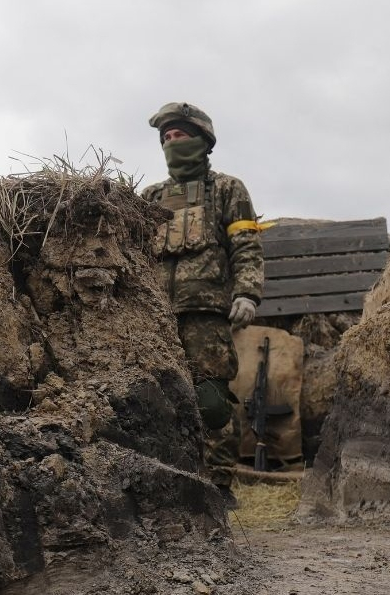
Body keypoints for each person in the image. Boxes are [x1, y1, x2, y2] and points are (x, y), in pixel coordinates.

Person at [141, 101, 264, 506]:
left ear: (203, 141)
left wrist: (247, 292)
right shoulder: (151, 196)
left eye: (180, 135)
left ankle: (220, 488)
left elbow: (247, 246)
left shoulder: (228, 189)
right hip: (156, 317)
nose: (173, 143)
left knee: (211, 404)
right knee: (157, 403)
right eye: (166, 138)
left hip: (207, 314)